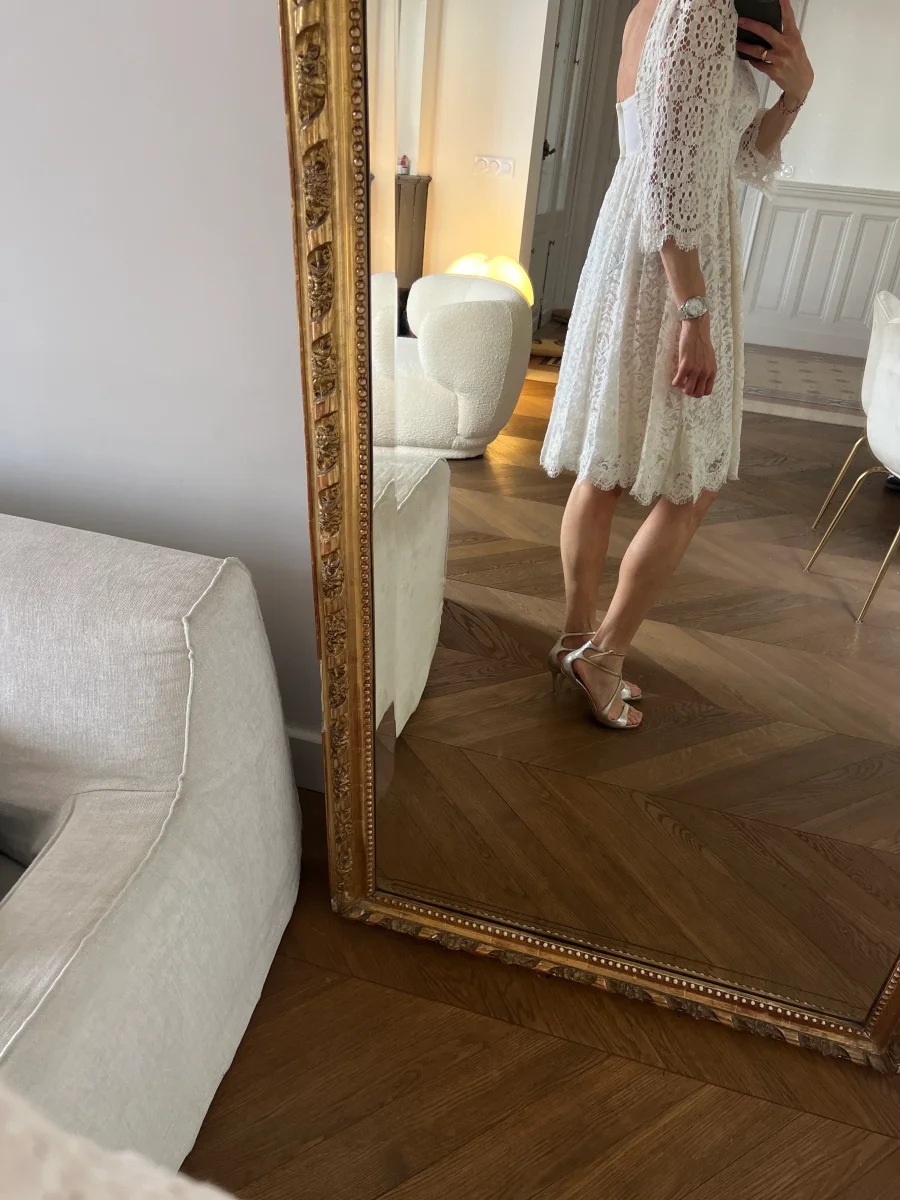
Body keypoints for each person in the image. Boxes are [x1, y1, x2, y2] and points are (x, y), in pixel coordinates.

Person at [540, 0, 813, 729]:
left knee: (605, 465)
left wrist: (794, 95)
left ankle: (575, 640)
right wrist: (694, 312)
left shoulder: (658, 7)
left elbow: (738, 156)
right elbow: (669, 173)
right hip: (674, 264)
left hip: (644, 251)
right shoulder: (704, 7)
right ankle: (602, 655)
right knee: (697, 482)